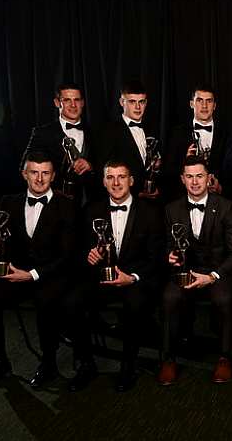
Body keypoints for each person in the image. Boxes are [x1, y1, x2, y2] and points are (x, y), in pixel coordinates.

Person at [0, 152, 75, 391]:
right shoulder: (8, 202)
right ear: (24, 174)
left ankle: (49, 363)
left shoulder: (67, 205)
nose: (39, 179)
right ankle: (0, 362)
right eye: (34, 172)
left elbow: (67, 256)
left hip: (51, 274)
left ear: (53, 176)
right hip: (17, 273)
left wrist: (32, 275)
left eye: (45, 173)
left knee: (45, 301)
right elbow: (5, 246)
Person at [65, 161, 164, 392]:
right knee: (71, 303)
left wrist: (133, 277)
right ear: (103, 181)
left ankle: (127, 366)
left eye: (121, 177)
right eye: (110, 177)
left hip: (134, 280)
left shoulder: (151, 212)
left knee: (134, 305)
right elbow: (78, 250)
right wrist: (88, 256)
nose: (116, 183)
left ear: (131, 180)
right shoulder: (91, 210)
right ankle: (86, 364)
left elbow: (157, 258)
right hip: (101, 278)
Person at [158, 156, 232, 386]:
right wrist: (170, 257)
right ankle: (168, 359)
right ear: (182, 180)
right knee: (169, 298)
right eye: (189, 177)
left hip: (217, 272)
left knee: (224, 299)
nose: (195, 182)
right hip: (185, 271)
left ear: (209, 178)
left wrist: (213, 276)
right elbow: (166, 245)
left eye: (199, 176)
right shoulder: (170, 209)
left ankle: (224, 358)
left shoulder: (226, 207)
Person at [21, 82, 95, 204]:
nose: (73, 105)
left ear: (82, 103)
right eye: (67, 100)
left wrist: (90, 166)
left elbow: (106, 164)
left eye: (77, 100)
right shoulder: (42, 133)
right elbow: (25, 169)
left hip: (91, 203)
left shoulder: (96, 132)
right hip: (55, 204)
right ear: (57, 103)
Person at [94, 80, 160, 198]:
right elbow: (103, 171)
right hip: (125, 199)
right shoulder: (109, 131)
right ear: (121, 102)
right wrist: (135, 193)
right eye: (132, 102)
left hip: (152, 201)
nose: (138, 107)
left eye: (141, 102)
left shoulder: (152, 128)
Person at [162, 85, 227, 200]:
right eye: (199, 100)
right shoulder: (177, 133)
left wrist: (220, 187)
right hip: (184, 201)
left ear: (215, 105)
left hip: (218, 201)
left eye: (209, 101)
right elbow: (167, 172)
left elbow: (231, 169)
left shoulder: (226, 134)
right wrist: (185, 162)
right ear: (192, 104)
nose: (204, 106)